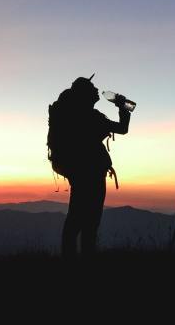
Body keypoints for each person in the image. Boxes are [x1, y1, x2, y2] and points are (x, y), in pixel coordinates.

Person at [49, 75, 131, 258]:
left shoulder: (73, 115)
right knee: (89, 220)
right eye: (92, 88)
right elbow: (122, 128)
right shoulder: (90, 116)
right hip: (91, 173)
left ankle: (70, 257)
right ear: (85, 94)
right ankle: (86, 258)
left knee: (76, 216)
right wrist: (122, 106)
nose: (97, 91)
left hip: (78, 172)